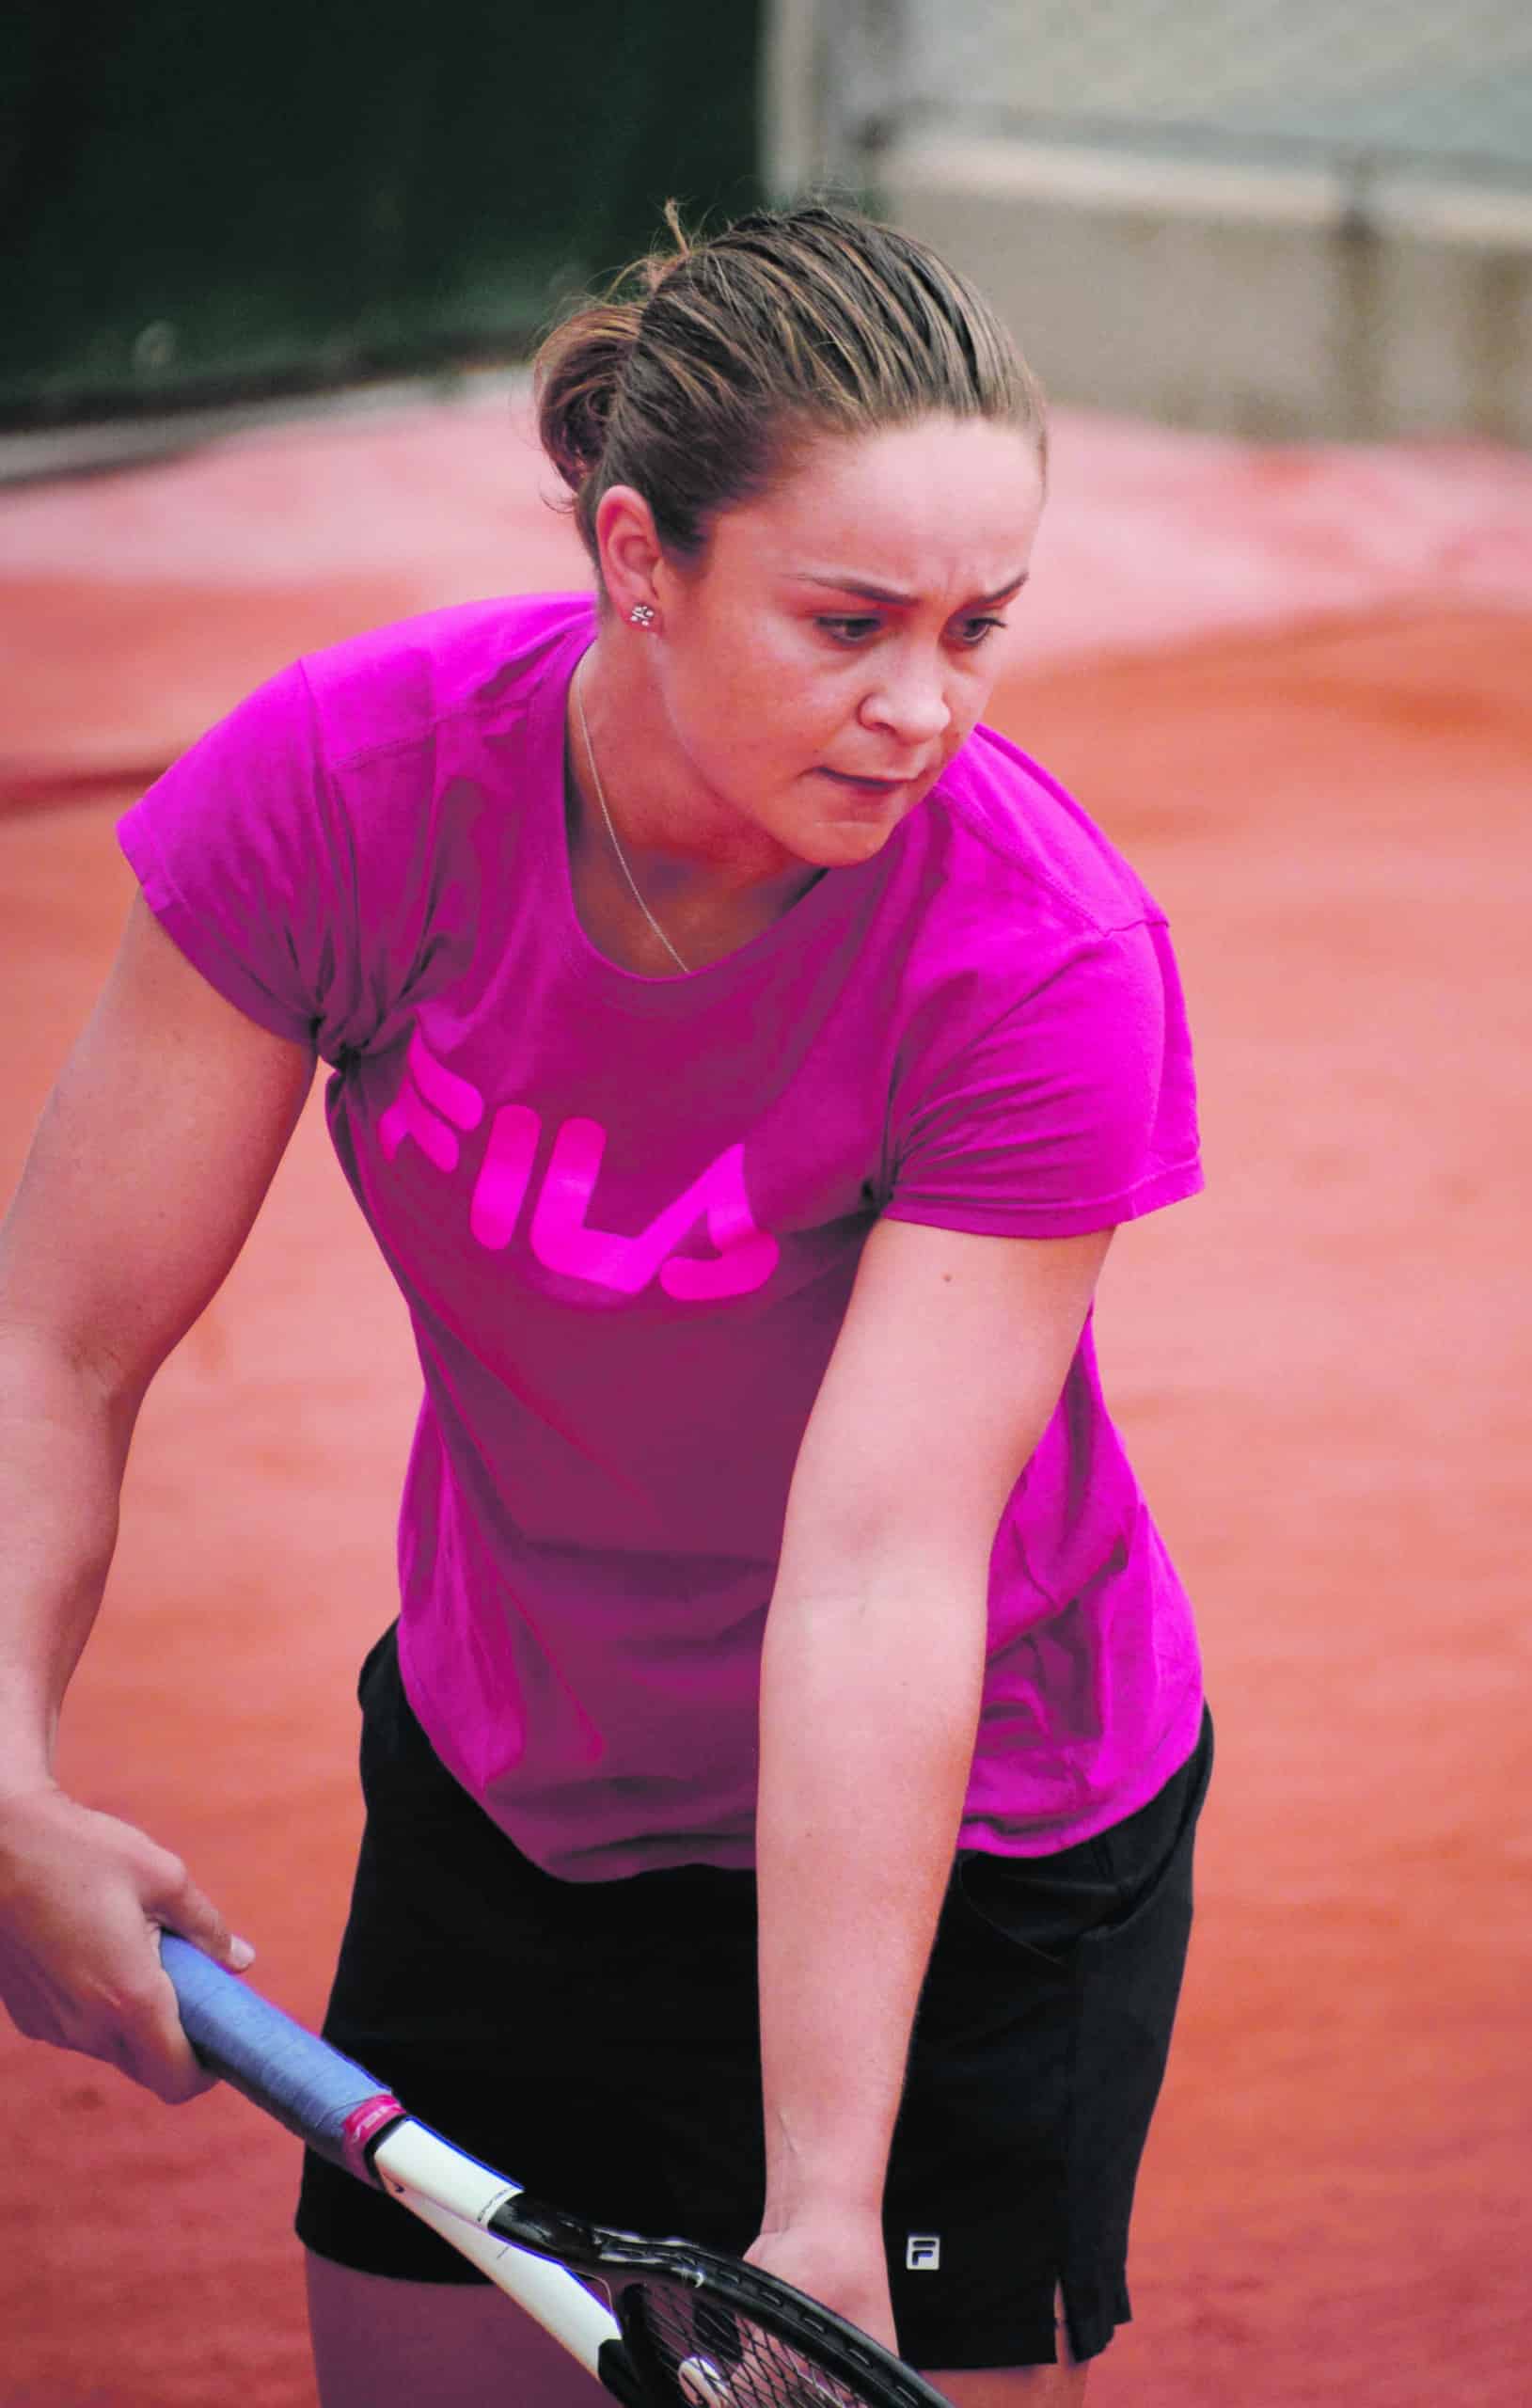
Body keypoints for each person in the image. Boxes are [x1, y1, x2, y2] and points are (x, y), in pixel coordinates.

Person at [0, 204, 1211, 2407]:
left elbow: (876, 1568)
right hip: (519, 1780)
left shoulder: (1039, 963)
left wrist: (824, 2197)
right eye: (846, 622)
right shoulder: (351, 792)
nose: (923, 707)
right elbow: (55, 1343)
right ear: (639, 557)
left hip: (965, 1838)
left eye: (977, 627)